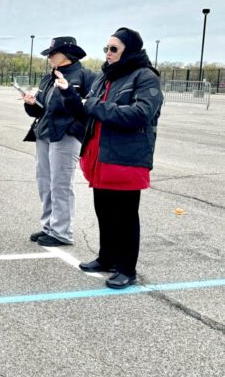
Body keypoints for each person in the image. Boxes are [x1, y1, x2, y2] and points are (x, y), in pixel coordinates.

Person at [56, 27, 163, 289]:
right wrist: (69, 94)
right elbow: (86, 112)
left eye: (114, 48)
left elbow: (139, 114)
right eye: (106, 48)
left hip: (126, 158)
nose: (108, 53)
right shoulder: (105, 77)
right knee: (104, 211)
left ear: (129, 50)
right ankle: (106, 258)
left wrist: (91, 105)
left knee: (125, 216)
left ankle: (126, 269)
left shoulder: (146, 77)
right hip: (100, 156)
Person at [23, 37, 95, 247]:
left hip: (66, 134)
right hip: (44, 133)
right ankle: (49, 226)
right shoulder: (48, 78)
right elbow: (42, 109)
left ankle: (62, 231)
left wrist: (69, 92)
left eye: (53, 53)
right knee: (45, 183)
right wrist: (30, 104)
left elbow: (86, 108)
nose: (49, 56)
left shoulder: (85, 75)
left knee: (61, 184)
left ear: (67, 53)